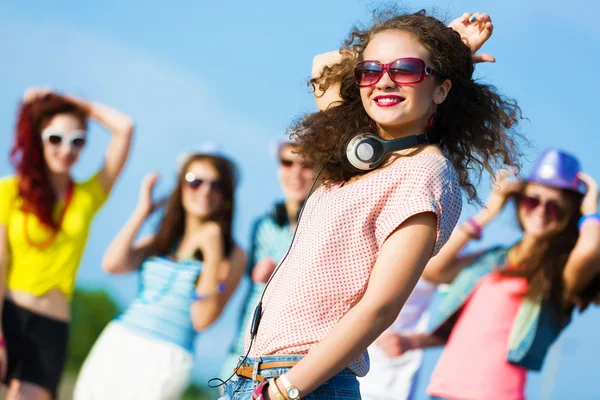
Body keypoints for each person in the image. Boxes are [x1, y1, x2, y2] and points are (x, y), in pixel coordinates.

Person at [220, 10, 524, 400]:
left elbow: (381, 306)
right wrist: (442, 41)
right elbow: (324, 64)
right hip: (250, 377)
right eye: (371, 70)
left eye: (407, 70)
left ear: (441, 89)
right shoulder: (349, 152)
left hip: (303, 385)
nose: (384, 80)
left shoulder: (426, 173)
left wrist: (284, 391)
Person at [396, 149, 600, 400]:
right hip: (442, 391)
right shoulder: (494, 259)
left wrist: (591, 210)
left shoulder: (560, 273)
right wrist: (489, 212)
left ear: (569, 214)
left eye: (555, 207)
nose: (541, 211)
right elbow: (433, 269)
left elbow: (590, 250)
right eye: (532, 200)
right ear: (519, 201)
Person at [74, 148, 245, 400]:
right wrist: (142, 211)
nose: (205, 191)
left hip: (167, 354)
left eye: (216, 185)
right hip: (120, 338)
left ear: (226, 195)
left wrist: (212, 251)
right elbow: (112, 264)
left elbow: (202, 319)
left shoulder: (232, 253)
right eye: (194, 182)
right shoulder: (165, 239)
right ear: (181, 187)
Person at [0, 88, 134, 399]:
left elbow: (124, 128)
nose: (66, 149)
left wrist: (70, 102)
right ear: (39, 138)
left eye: (78, 140)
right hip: (8, 315)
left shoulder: (88, 196)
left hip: (52, 328)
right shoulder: (9, 191)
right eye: (55, 138)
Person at [220, 139, 316, 380]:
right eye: (287, 162)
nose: (296, 173)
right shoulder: (261, 225)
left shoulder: (322, 226)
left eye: (306, 164)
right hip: (240, 354)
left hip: (287, 362)